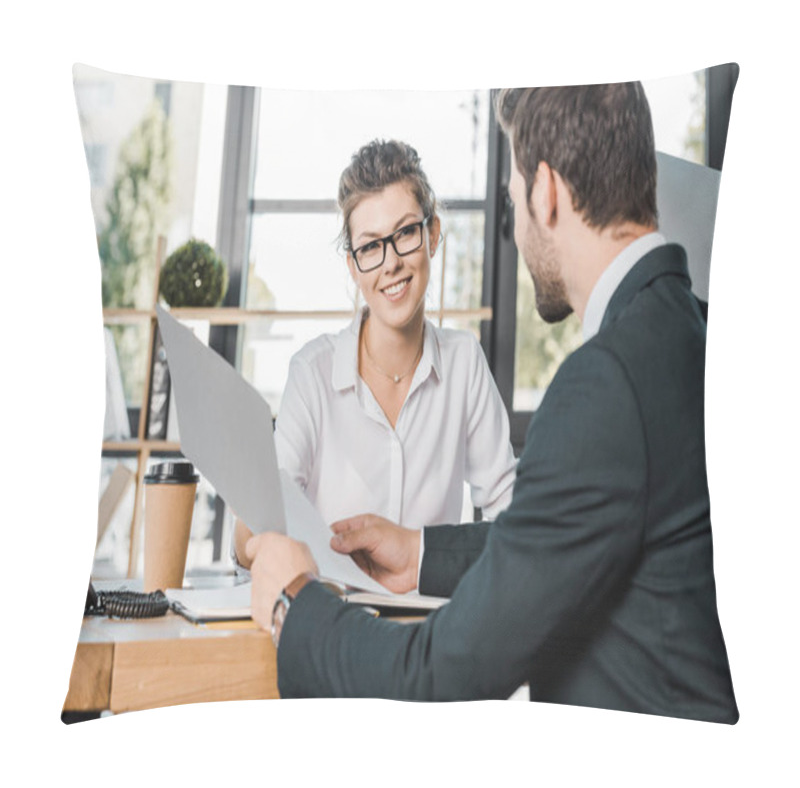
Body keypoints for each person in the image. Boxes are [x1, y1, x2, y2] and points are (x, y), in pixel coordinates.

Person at [245, 83, 739, 724]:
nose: (514, 223)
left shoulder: (605, 382)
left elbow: (444, 674)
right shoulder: (691, 335)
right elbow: (561, 537)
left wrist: (294, 602)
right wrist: (421, 554)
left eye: (511, 200)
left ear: (546, 193)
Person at [234, 139, 517, 569]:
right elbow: (260, 522)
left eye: (405, 233)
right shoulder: (314, 373)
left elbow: (511, 515)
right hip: (337, 618)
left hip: (431, 628)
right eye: (370, 247)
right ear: (352, 265)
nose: (391, 264)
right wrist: (255, 543)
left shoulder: (464, 363)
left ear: (432, 235)